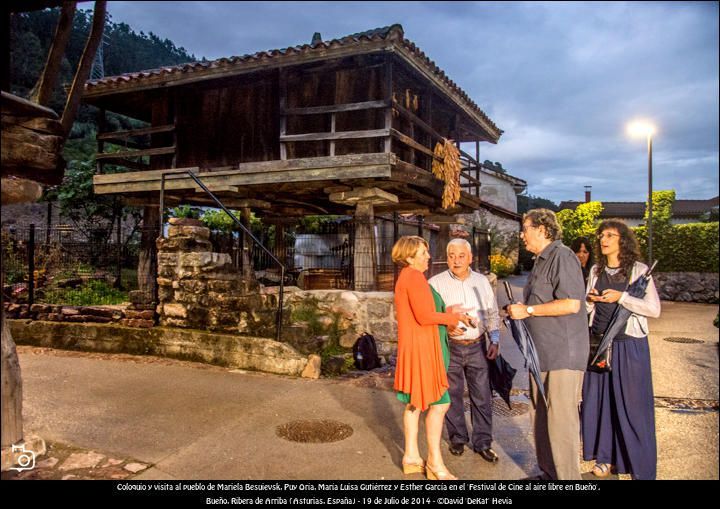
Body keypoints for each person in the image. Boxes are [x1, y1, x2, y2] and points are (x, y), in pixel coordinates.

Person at [507, 209, 589, 480]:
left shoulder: (562, 256)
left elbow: (571, 304)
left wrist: (528, 311)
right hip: (540, 354)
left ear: (542, 230)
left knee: (561, 422)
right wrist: (520, 310)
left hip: (562, 354)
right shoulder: (541, 261)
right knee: (541, 417)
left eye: (525, 229)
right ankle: (549, 474)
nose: (522, 235)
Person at [582, 219, 661, 480]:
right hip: (600, 346)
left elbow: (654, 310)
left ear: (622, 241)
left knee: (633, 409)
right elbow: (586, 309)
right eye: (601, 235)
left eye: (610, 235)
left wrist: (622, 297)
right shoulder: (596, 270)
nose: (603, 240)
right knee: (602, 404)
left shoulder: (639, 270)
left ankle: (641, 469)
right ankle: (605, 458)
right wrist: (590, 301)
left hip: (629, 346)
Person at [392, 235, 473, 481]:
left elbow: (424, 311)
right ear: (409, 257)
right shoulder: (414, 277)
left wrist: (449, 313)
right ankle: (435, 464)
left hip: (416, 347)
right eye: (423, 253)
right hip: (424, 350)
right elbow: (425, 316)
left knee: (415, 403)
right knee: (440, 404)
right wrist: (453, 318)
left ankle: (411, 457)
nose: (428, 256)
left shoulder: (407, 276)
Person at [428, 238, 501, 464]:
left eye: (461, 256)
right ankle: (458, 438)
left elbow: (491, 312)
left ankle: (483, 443)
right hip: (450, 347)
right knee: (453, 395)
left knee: (482, 396)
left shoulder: (482, 281)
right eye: (451, 256)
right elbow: (430, 316)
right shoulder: (435, 283)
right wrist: (446, 326)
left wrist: (494, 340)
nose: (456, 260)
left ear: (470, 258)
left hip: (478, 346)